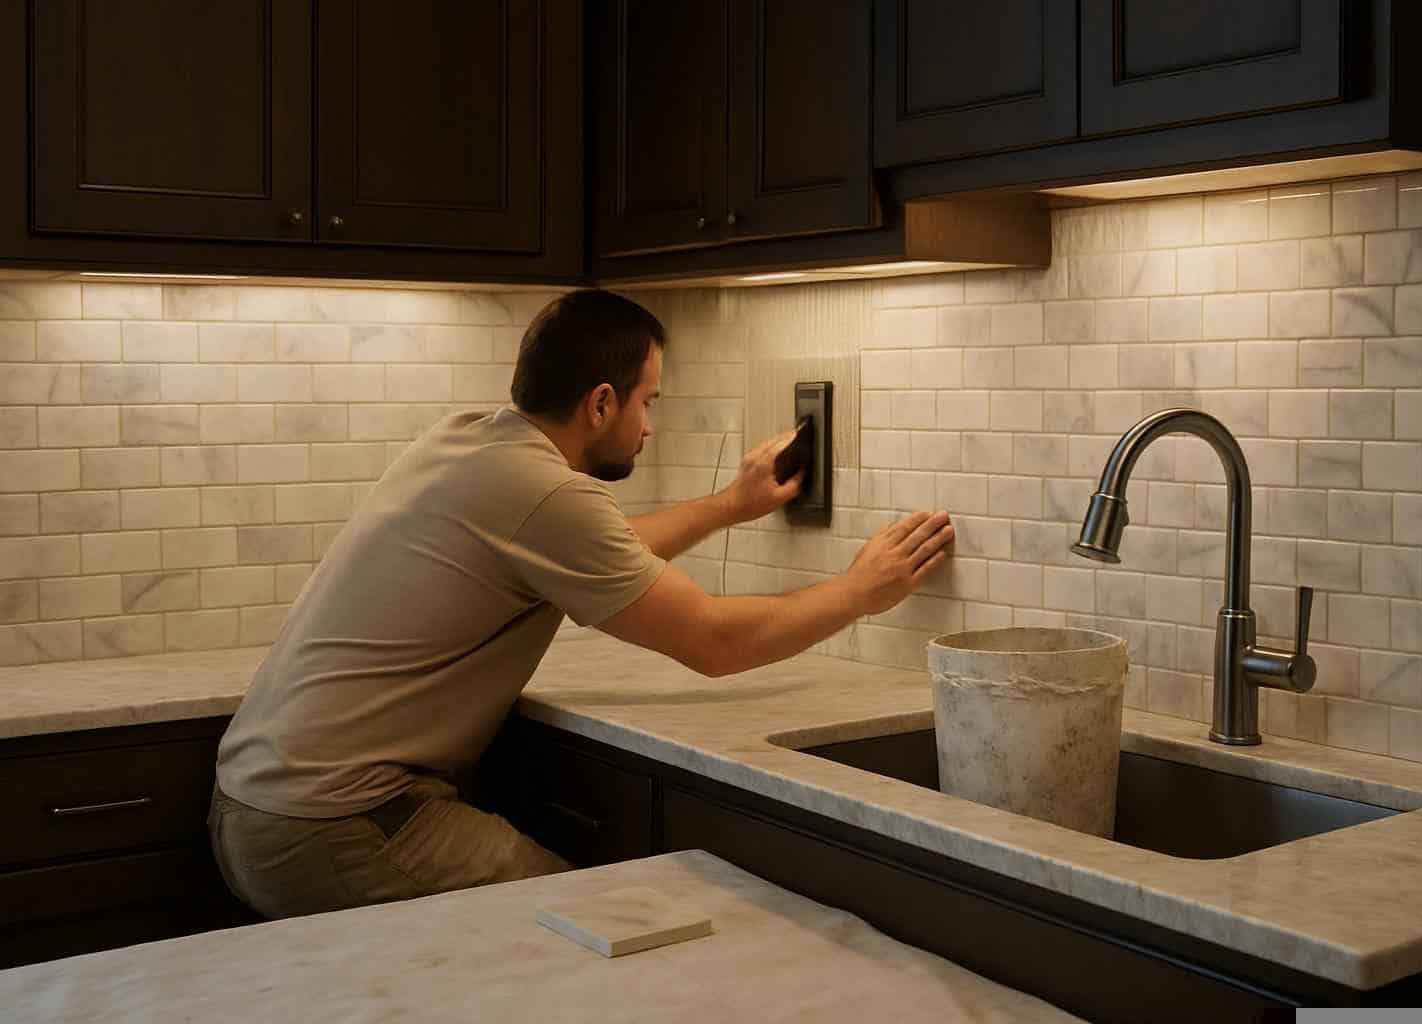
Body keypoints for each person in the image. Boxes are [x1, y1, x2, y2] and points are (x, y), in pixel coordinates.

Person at [208, 288, 954, 919]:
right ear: (601, 403)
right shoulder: (544, 492)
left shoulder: (467, 440)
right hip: (340, 825)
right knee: (593, 934)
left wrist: (730, 504)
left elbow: (604, 548)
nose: (651, 423)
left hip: (252, 807)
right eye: (648, 401)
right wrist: (858, 592)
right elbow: (714, 643)